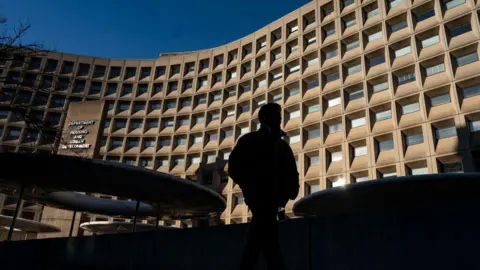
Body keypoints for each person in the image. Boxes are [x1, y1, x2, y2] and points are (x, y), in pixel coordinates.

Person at [228, 103, 299, 270]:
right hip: (260, 200)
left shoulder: (282, 146)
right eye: (276, 114)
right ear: (265, 118)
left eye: (280, 114)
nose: (280, 118)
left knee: (262, 242)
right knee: (267, 245)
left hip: (273, 202)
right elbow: (234, 167)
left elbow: (291, 171)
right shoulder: (249, 140)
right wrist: (251, 188)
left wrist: (288, 193)